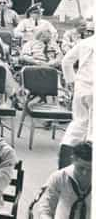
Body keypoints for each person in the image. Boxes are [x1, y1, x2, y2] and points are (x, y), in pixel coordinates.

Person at [59, 36, 94, 169]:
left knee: (78, 125)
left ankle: (63, 168)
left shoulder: (85, 42)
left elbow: (66, 62)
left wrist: (71, 82)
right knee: (92, 132)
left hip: (81, 89)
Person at [38, 141, 92, 219]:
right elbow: (45, 208)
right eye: (81, 168)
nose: (85, 173)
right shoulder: (59, 177)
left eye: (90, 169)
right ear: (73, 160)